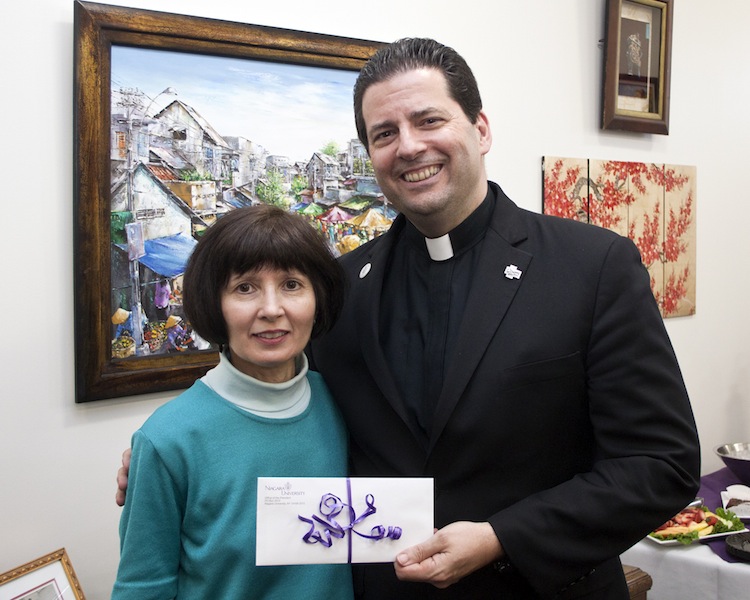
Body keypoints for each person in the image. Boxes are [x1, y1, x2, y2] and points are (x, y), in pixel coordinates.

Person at [118, 38, 700, 599]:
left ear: (480, 129)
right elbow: (284, 398)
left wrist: (502, 538)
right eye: (385, 134)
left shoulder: (591, 266)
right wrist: (167, 456)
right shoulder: (340, 286)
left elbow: (660, 465)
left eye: (429, 121)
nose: (409, 147)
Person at [112, 205, 352, 599]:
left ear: (318, 297)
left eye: (292, 284)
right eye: (245, 288)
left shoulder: (343, 403)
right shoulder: (168, 439)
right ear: (214, 303)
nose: (271, 309)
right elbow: (142, 588)